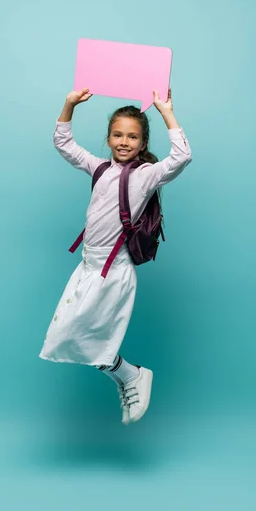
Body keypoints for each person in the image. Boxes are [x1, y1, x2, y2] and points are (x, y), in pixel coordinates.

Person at [39, 87, 192, 425]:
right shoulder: (98, 169)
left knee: (88, 341)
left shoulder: (144, 176)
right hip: (87, 268)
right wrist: (69, 104)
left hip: (113, 272)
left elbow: (181, 156)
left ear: (142, 143)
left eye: (133, 136)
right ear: (108, 139)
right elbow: (63, 144)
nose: (124, 141)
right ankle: (131, 375)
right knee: (71, 340)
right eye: (118, 135)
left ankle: (132, 375)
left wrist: (166, 111)